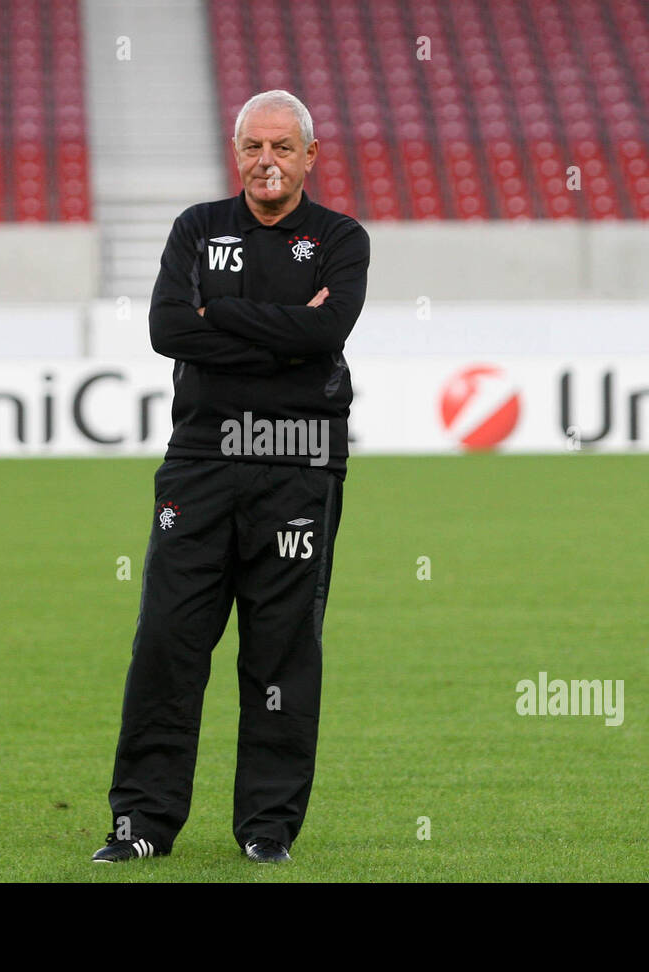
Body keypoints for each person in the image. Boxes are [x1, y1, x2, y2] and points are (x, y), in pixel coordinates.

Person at [92, 89, 370, 864]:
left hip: (299, 463)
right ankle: (141, 825)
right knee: (168, 643)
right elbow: (166, 329)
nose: (267, 162)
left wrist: (224, 320)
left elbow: (328, 329)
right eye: (254, 146)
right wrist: (287, 343)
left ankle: (266, 829)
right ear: (236, 152)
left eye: (283, 147)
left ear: (311, 156)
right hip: (202, 462)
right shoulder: (197, 229)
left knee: (281, 652)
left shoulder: (342, 238)